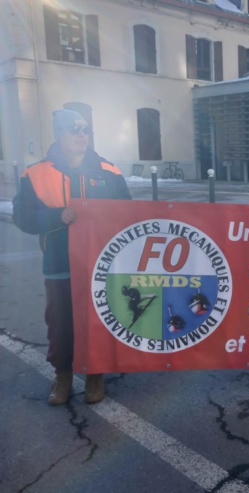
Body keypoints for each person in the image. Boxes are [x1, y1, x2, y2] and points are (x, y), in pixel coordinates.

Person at [13, 109, 132, 405]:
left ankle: (95, 374)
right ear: (58, 134)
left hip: (100, 264)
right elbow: (22, 216)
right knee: (60, 322)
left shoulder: (109, 171)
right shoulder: (35, 173)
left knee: (98, 319)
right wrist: (56, 216)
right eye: (74, 128)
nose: (82, 134)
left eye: (85, 129)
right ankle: (63, 375)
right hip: (59, 262)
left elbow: (128, 214)